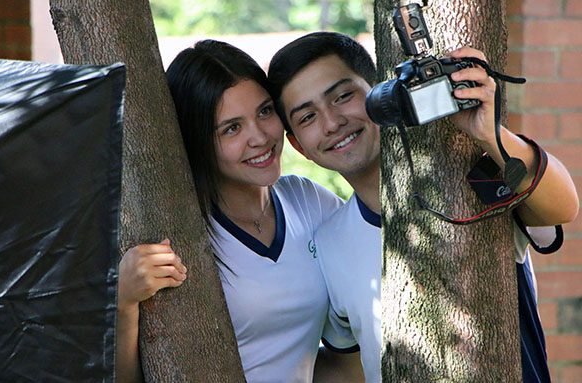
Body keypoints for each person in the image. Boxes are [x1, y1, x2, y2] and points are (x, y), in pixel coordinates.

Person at [267, 31, 579, 382]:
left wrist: (491, 137)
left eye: (343, 96)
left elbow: (564, 207)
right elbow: (346, 364)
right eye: (307, 117)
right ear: (298, 146)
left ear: (380, 93)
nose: (332, 122)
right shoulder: (327, 243)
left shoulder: (467, 181)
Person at [116, 39, 364, 383]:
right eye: (231, 128)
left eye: (264, 111)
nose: (260, 136)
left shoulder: (308, 201)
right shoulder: (178, 231)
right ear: (198, 139)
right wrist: (124, 301)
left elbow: (346, 351)